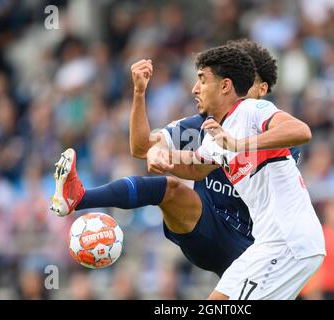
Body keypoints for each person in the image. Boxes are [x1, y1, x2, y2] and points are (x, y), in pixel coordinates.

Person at [50, 40, 299, 278]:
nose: (237, 88)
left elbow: (204, 164)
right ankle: (79, 197)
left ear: (262, 89)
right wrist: (139, 93)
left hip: (251, 244)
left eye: (246, 82)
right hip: (206, 224)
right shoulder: (201, 125)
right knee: (168, 189)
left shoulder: (273, 132)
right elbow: (140, 148)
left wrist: (168, 156)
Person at [160, 45, 326, 299]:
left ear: (224, 86)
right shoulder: (217, 133)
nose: (195, 88)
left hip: (287, 242)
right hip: (266, 244)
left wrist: (239, 145)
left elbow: (301, 131)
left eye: (202, 80)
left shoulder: (252, 110)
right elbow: (195, 166)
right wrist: (162, 158)